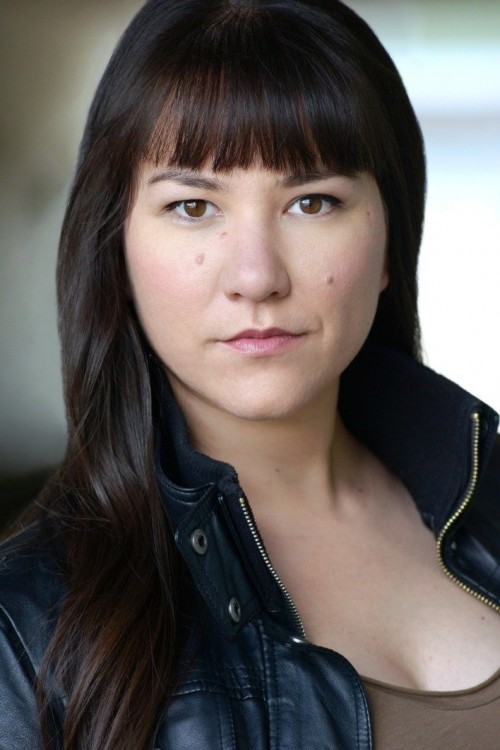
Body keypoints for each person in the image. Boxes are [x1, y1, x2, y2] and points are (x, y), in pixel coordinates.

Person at [1, 0, 500, 748]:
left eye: (312, 202)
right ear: (117, 251)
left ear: (391, 239)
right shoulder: (25, 628)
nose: (257, 277)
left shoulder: (487, 497)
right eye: (193, 207)